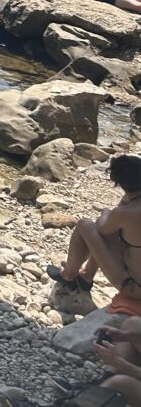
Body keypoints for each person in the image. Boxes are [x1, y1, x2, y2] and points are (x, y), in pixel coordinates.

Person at [49, 156, 141, 401]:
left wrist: (110, 211)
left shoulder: (127, 212)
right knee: (116, 238)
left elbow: (101, 227)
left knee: (85, 226)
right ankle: (85, 278)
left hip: (134, 287)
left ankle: (69, 276)